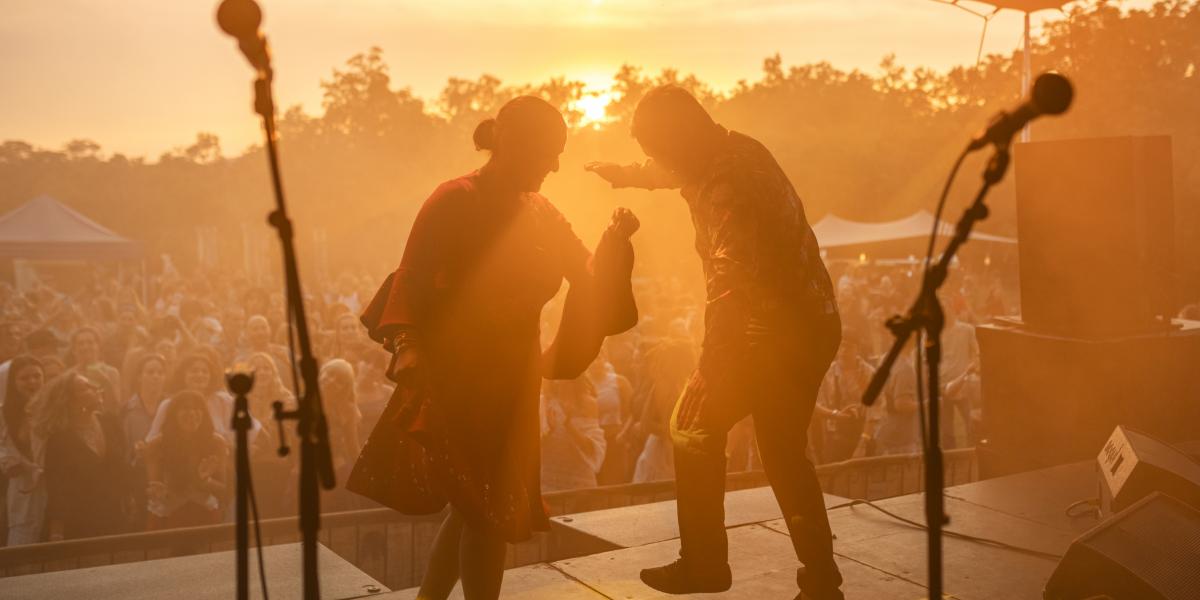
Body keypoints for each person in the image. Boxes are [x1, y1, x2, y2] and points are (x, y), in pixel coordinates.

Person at [349, 96, 639, 600]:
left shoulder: (542, 211)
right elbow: (410, 279)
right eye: (547, 152)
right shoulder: (454, 199)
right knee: (488, 510)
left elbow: (586, 272)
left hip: (514, 379)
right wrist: (409, 347)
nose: (554, 165)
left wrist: (616, 244)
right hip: (458, 377)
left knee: (474, 506)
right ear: (512, 143)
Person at [587, 85, 844, 599]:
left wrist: (710, 365)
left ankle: (704, 564)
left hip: (767, 333)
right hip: (813, 323)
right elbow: (676, 171)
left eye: (655, 150)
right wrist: (628, 175)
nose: (654, 161)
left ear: (678, 140)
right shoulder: (731, 148)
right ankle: (820, 575)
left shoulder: (728, 186)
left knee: (690, 426)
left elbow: (731, 283)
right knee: (784, 453)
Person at [34, 372, 134, 540]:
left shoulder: (110, 422)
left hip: (114, 516)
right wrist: (56, 531)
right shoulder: (60, 439)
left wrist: (130, 497)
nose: (94, 389)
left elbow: (122, 465)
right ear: (70, 400)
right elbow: (57, 488)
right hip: (79, 522)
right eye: (85, 388)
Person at [142, 391, 228, 530]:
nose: (192, 414)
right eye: (185, 409)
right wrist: (161, 492)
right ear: (173, 414)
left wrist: (205, 481)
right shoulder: (156, 445)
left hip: (205, 516)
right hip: (167, 519)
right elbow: (152, 489)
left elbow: (224, 489)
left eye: (197, 409)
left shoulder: (216, 443)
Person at [0, 356, 46, 544]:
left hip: (54, 490)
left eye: (37, 376)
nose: (32, 382)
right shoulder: (4, 414)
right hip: (22, 490)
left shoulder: (53, 410)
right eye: (25, 378)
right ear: (13, 381)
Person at [539, 377, 606, 492]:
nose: (559, 380)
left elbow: (592, 448)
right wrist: (550, 431)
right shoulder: (542, 403)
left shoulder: (588, 404)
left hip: (580, 479)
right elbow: (532, 450)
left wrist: (568, 424)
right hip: (549, 478)